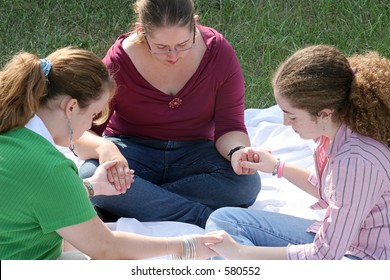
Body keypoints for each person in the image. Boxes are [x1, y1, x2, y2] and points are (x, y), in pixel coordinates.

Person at [0, 47, 222, 260]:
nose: (91, 125)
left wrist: (90, 186)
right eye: (94, 115)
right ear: (71, 107)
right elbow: (106, 248)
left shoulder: (11, 129)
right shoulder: (50, 168)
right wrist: (185, 246)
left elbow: (30, 196)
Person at [75, 0, 261, 228]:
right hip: (132, 154)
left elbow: (231, 127)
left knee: (247, 183)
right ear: (141, 31)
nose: (174, 56)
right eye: (161, 47)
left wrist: (237, 152)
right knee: (89, 174)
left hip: (195, 154)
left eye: (184, 44)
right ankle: (205, 218)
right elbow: (81, 132)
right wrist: (105, 148)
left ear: (194, 24)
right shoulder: (119, 61)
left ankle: (133, 203)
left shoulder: (218, 53)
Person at [205, 45, 390, 260]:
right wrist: (276, 166)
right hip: (349, 242)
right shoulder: (334, 132)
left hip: (362, 258)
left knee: (227, 251)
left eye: (291, 116)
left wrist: (241, 253)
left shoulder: (357, 162)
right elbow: (332, 192)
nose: (284, 122)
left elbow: (325, 256)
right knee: (225, 222)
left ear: (324, 114)